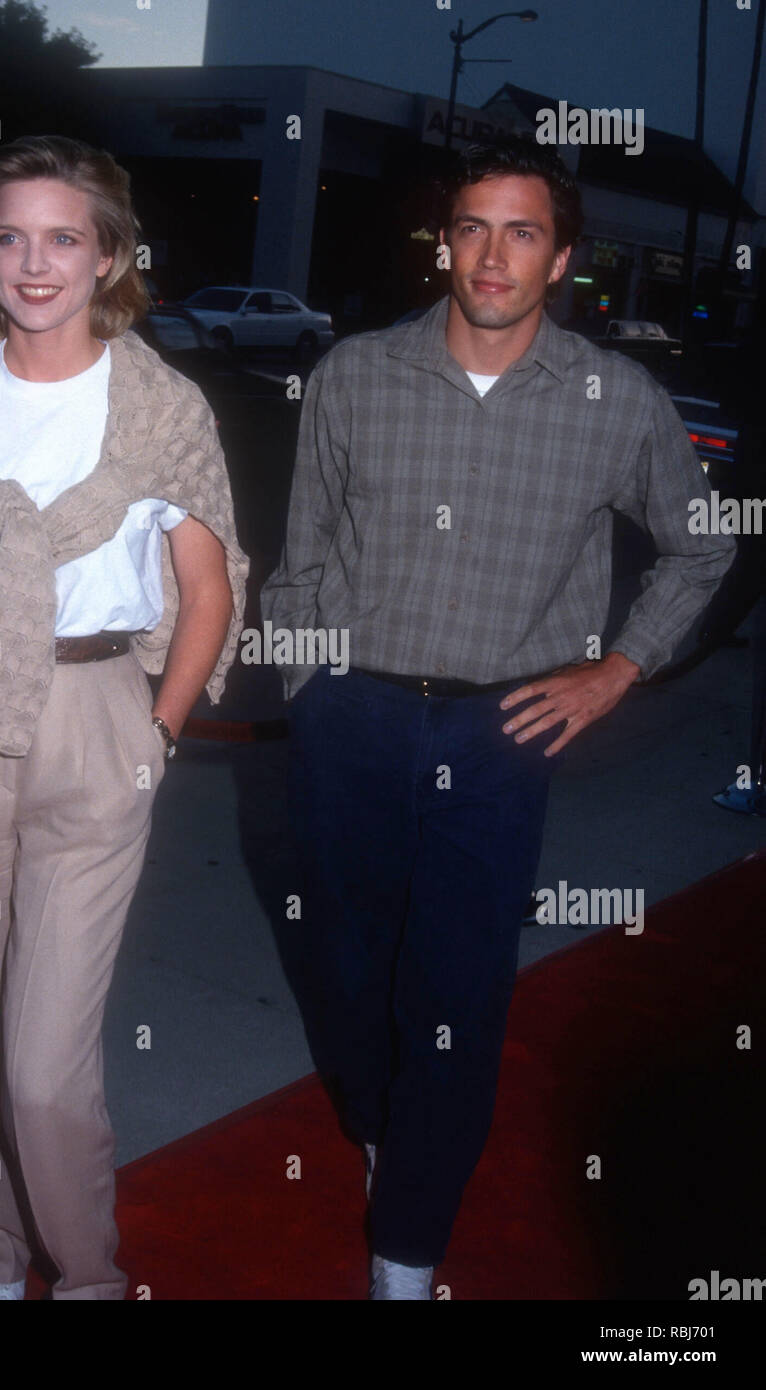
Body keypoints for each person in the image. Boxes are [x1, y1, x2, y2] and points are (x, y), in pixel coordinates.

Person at [261, 139, 736, 1299]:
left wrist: (619, 666)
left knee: (459, 992)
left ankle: (407, 1248)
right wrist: (306, 689)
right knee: (344, 967)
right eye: (474, 226)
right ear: (446, 240)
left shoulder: (613, 397)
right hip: (354, 716)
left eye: (522, 232)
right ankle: (381, 1123)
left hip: (499, 737)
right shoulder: (355, 373)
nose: (492, 253)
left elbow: (702, 542)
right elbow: (302, 553)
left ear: (562, 257)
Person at [0, 135, 248, 1300]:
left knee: (42, 1067)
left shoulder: (161, 407)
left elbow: (211, 583)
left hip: (95, 722)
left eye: (64, 237)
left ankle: (84, 1274)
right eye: (11, 236)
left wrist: (162, 729)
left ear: (110, 255)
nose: (36, 263)